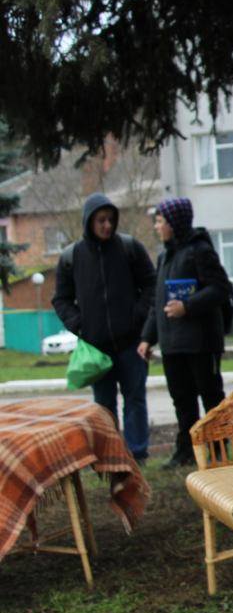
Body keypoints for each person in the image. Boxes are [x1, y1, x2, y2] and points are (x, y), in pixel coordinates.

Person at [53, 192, 156, 461]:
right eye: (101, 220)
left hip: (131, 343)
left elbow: (151, 285)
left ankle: (137, 455)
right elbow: (61, 299)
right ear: (89, 221)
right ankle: (111, 456)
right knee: (104, 406)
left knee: (135, 399)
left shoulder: (129, 248)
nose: (107, 225)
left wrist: (138, 316)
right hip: (96, 350)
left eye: (110, 219)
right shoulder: (72, 257)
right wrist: (80, 326)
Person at [137, 197, 232, 468]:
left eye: (160, 221)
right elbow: (158, 302)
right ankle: (186, 451)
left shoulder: (200, 251)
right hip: (173, 343)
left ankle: (218, 449)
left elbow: (220, 289)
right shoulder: (165, 256)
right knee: (182, 399)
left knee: (210, 396)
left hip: (201, 342)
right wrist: (147, 338)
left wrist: (187, 307)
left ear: (174, 223)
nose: (157, 227)